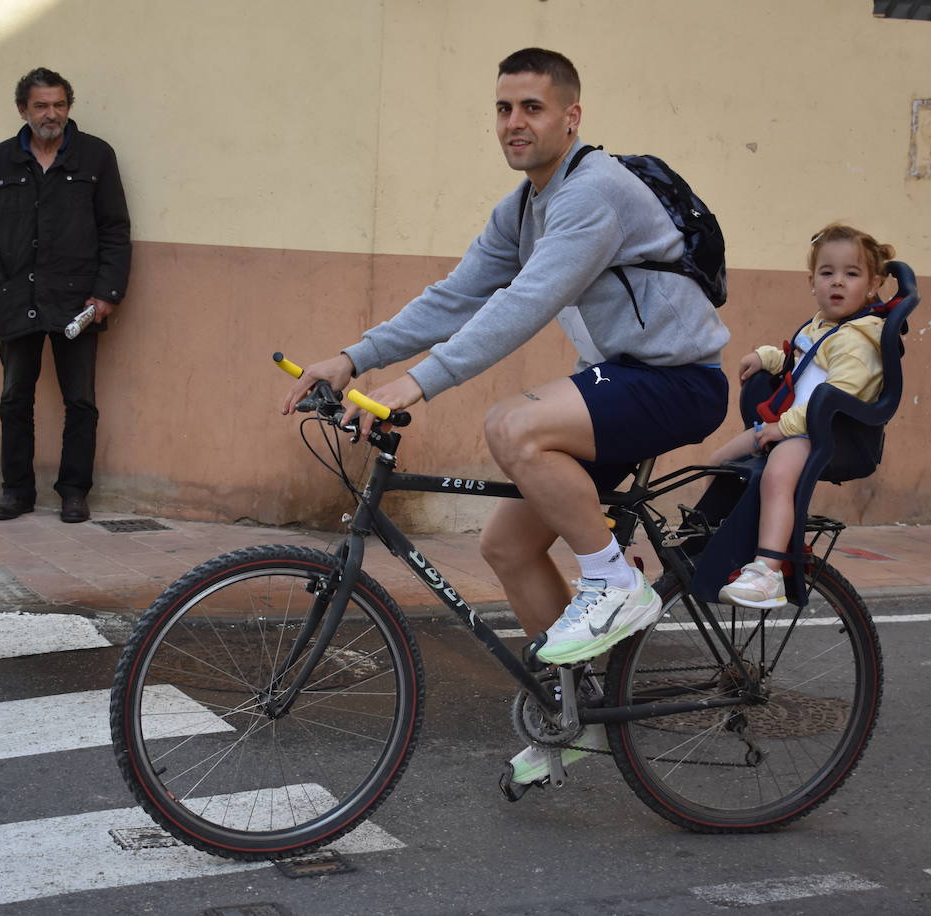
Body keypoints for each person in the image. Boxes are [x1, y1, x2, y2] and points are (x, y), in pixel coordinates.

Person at [282, 48, 730, 783]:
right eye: (503, 109)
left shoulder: (595, 192)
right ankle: (578, 713)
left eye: (532, 108)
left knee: (511, 425)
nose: (514, 123)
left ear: (571, 117)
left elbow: (526, 304)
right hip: (621, 381)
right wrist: (352, 358)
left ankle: (614, 583)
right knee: (509, 548)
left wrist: (419, 383)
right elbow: (455, 295)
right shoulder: (524, 206)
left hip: (677, 382)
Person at [0, 67, 131, 523]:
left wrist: (106, 293)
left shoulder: (96, 158)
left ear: (68, 108)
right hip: (16, 301)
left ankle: (74, 492)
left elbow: (115, 231)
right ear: (23, 110)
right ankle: (16, 491)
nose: (51, 114)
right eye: (41, 105)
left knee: (80, 400)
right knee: (14, 399)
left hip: (77, 303)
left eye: (59, 104)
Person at [710, 222, 895, 607]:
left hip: (826, 433)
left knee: (778, 475)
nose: (837, 283)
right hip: (791, 426)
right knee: (719, 462)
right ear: (812, 281)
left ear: (873, 284)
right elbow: (801, 364)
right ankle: (715, 539)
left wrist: (782, 429)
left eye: (851, 274)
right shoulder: (823, 327)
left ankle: (768, 571)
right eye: (827, 273)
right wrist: (767, 357)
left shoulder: (859, 340)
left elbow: (835, 397)